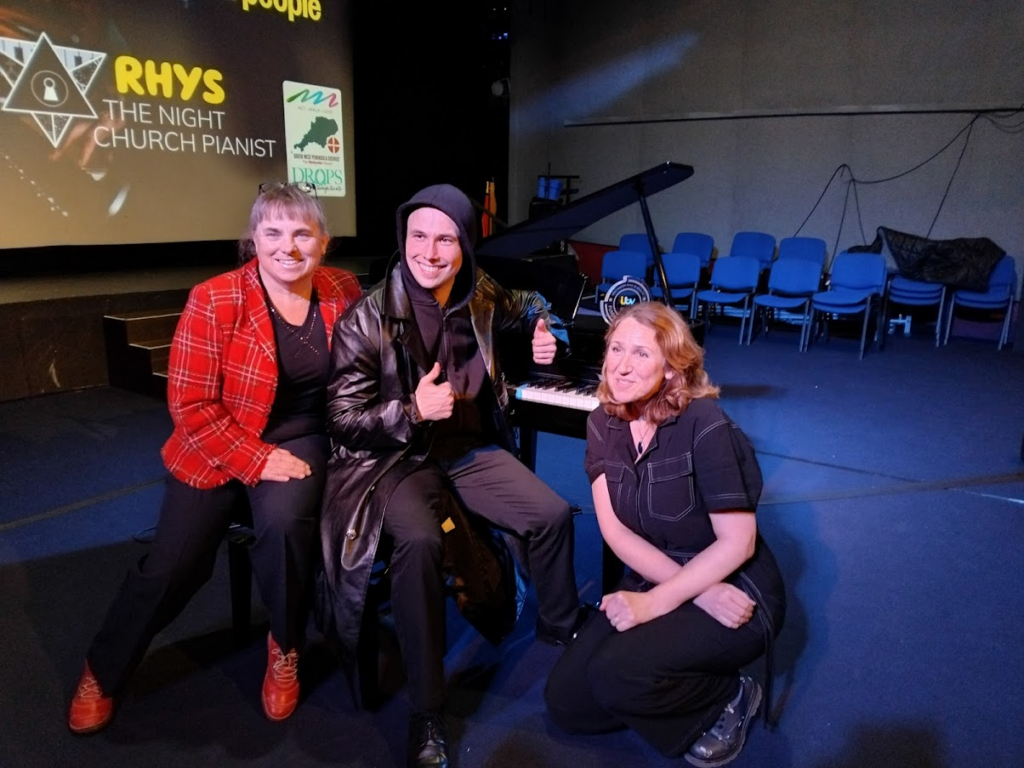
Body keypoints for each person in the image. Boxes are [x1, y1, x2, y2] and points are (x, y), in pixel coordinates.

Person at [67, 182, 363, 735]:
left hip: (303, 436)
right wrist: (254, 460)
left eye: (303, 232)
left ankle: (285, 644)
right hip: (218, 440)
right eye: (272, 232)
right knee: (174, 564)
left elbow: (369, 367)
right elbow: (191, 404)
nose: (288, 246)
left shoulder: (343, 288)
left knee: (283, 525)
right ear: (252, 240)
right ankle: (104, 668)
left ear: (325, 241)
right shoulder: (216, 297)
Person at [318, 183, 583, 768]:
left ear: (464, 245)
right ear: (402, 240)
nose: (430, 251)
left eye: (445, 238)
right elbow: (341, 421)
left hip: (468, 453)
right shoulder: (366, 318)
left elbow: (534, 302)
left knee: (552, 515)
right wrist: (413, 411)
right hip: (398, 461)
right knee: (418, 542)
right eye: (418, 236)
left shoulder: (480, 294)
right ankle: (427, 710)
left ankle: (562, 634)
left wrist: (548, 334)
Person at [544, 301, 786, 766]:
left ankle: (730, 694)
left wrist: (659, 602)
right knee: (566, 700)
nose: (621, 364)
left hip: (735, 585)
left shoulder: (707, 425)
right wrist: (692, 593)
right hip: (675, 578)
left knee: (616, 675)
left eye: (640, 353)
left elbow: (740, 543)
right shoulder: (602, 422)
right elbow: (615, 532)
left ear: (673, 370)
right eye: (616, 348)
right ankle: (653, 683)